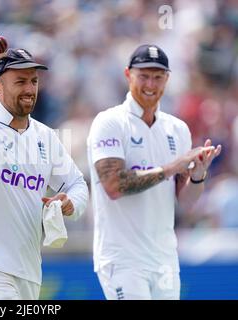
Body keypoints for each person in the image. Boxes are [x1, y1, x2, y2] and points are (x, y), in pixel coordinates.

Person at [0, 33, 88, 300]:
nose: (29, 89)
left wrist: (71, 202)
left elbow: (78, 185)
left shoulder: (46, 137)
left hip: (29, 272)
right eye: (20, 81)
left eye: (34, 81)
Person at [86, 44, 221, 300]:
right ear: (128, 75)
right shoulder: (110, 122)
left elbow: (186, 202)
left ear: (167, 79)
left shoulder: (177, 129)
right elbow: (114, 186)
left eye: (158, 77)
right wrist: (172, 167)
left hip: (164, 258)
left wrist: (198, 175)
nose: (151, 84)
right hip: (122, 258)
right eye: (144, 76)